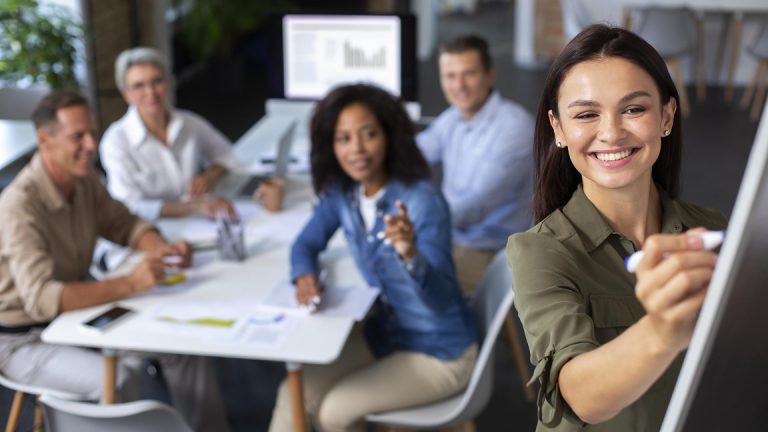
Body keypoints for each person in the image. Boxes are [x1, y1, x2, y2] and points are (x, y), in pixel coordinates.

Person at [506, 25, 728, 431]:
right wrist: (663, 330)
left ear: (666, 116)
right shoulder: (539, 251)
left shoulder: (713, 230)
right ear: (558, 129)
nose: (610, 133)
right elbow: (581, 396)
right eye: (587, 114)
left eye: (634, 109)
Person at [0, 91, 230, 432]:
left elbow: (125, 223)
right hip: (24, 339)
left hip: (78, 319)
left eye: (92, 132)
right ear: (44, 141)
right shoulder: (19, 205)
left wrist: (158, 250)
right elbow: (42, 298)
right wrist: (131, 283)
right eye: (78, 136)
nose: (92, 145)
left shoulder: (84, 180)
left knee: (181, 343)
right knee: (117, 379)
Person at [268, 84, 478, 432]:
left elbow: (441, 297)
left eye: (369, 134)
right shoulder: (343, 192)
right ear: (330, 145)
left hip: (439, 350)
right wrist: (303, 274)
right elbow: (305, 243)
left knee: (333, 413)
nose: (357, 150)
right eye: (343, 138)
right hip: (385, 335)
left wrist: (410, 255)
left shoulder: (423, 201)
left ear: (389, 136)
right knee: (292, 393)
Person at [417, 34, 535, 295]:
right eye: (450, 76)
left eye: (468, 74)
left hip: (485, 253)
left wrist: (417, 219)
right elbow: (414, 154)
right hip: (450, 238)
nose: (459, 85)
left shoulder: (513, 128)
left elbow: (476, 207)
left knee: (400, 278)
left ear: (489, 75)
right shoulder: (455, 117)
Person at [100, 46, 237, 220]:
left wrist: (209, 176)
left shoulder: (189, 123)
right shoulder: (116, 141)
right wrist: (194, 206)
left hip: (198, 221)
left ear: (168, 82)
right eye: (139, 86)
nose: (150, 92)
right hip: (153, 229)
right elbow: (129, 205)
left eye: (157, 81)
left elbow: (226, 153)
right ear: (127, 95)